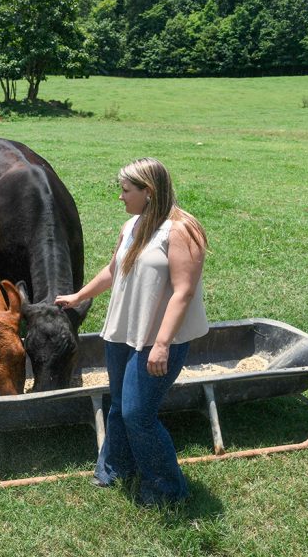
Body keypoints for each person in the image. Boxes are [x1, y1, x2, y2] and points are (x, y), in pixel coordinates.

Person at [55, 157, 208, 507]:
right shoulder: (132, 226)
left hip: (159, 340)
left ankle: (167, 489)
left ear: (148, 192)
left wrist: (162, 345)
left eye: (126, 190)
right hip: (124, 331)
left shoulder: (182, 231)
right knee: (120, 406)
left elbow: (183, 291)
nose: (120, 197)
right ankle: (115, 468)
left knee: (138, 414)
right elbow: (113, 270)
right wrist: (79, 296)